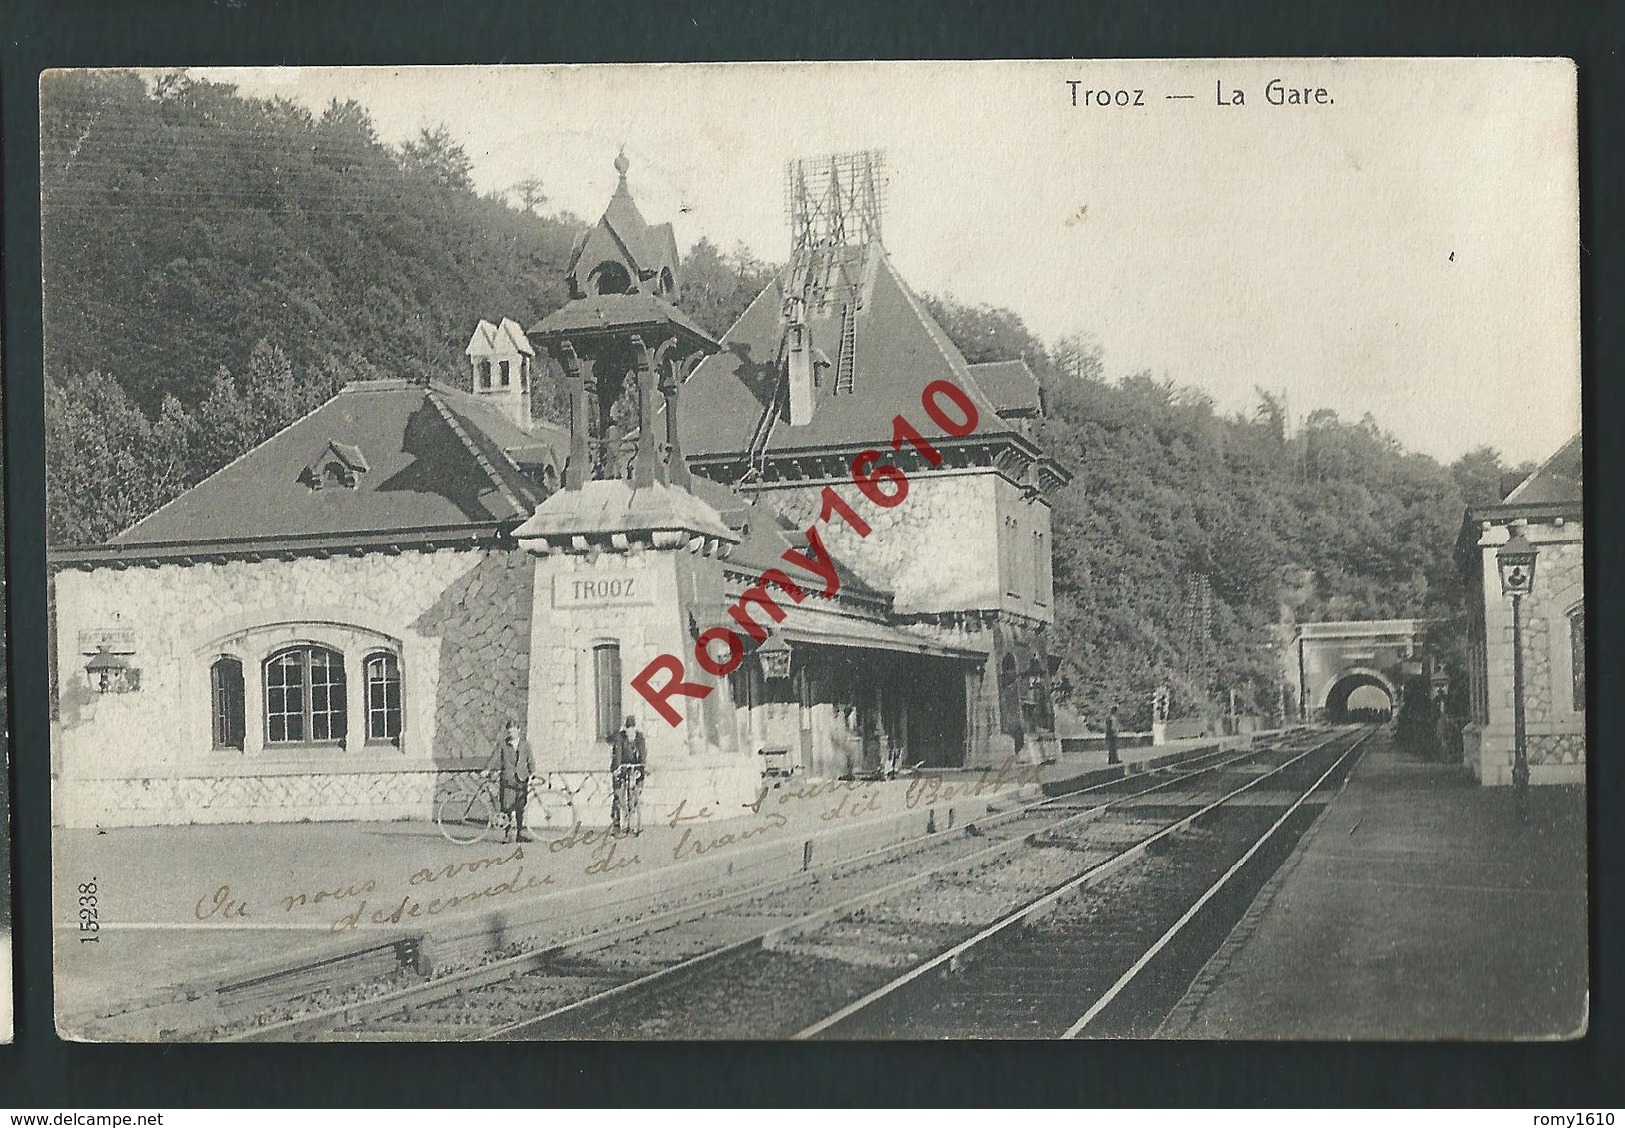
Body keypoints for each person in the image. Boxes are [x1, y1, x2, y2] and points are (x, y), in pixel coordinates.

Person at [485, 719, 535, 843]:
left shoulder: (525, 745)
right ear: (507, 732)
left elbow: (530, 761)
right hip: (507, 779)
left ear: (519, 730)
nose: (512, 732)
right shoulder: (503, 745)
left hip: (522, 778)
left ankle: (519, 833)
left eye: (514, 730)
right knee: (506, 807)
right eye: (509, 730)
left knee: (520, 807)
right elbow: (495, 757)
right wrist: (487, 769)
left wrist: (532, 773)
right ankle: (507, 834)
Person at [610, 714, 647, 834]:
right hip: (622, 768)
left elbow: (643, 754)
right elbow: (618, 753)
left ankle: (635, 824)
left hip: (635, 769)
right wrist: (617, 768)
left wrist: (642, 767)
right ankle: (617, 823)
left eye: (632, 728)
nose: (630, 731)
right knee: (618, 795)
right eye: (627, 728)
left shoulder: (639, 737)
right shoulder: (620, 737)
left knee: (634, 795)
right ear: (624, 728)